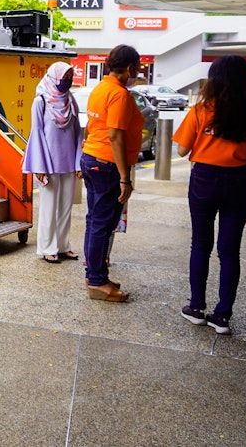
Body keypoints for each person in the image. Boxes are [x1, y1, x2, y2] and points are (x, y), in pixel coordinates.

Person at [173, 55, 246, 335]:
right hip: (240, 180)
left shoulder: (200, 111)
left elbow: (182, 151)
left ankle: (196, 308)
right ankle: (222, 316)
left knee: (200, 245)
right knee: (230, 251)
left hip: (204, 180)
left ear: (213, 80)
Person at [80, 45, 144, 302]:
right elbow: (115, 135)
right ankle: (96, 281)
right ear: (129, 68)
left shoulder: (100, 88)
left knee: (94, 220)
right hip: (107, 165)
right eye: (137, 68)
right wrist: (124, 177)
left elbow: (92, 128)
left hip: (92, 158)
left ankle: (95, 273)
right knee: (102, 224)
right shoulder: (119, 94)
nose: (138, 73)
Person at [22, 62, 82, 264]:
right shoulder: (40, 101)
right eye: (65, 77)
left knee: (66, 207)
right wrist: (39, 167)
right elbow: (36, 133)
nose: (68, 81)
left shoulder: (70, 101)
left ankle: (63, 246)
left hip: (67, 163)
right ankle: (47, 248)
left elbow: (77, 133)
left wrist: (78, 163)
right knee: (49, 207)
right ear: (54, 77)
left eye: (70, 77)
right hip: (47, 163)